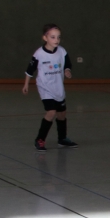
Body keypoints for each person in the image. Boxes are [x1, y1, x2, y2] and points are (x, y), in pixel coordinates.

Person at [23, 23, 77, 151]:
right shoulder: (39, 54)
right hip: (45, 87)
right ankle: (40, 140)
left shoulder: (62, 51)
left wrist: (67, 70)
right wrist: (26, 84)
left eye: (58, 37)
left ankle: (62, 138)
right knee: (51, 111)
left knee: (62, 114)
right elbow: (30, 70)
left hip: (58, 87)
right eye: (53, 37)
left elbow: (67, 64)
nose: (56, 40)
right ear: (45, 38)